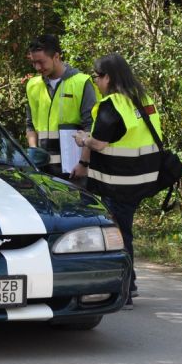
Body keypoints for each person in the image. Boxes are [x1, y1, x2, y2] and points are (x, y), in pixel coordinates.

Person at [73, 53, 163, 309]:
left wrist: (83, 140)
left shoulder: (111, 104)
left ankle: (125, 287)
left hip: (118, 180)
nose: (95, 83)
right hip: (143, 177)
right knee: (125, 231)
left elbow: (100, 142)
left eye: (96, 77)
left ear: (107, 77)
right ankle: (129, 282)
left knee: (120, 235)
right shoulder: (142, 99)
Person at [24, 34, 96, 177]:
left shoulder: (81, 83)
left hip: (74, 170)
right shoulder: (33, 85)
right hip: (42, 170)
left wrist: (83, 164)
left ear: (56, 56)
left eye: (41, 62)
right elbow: (30, 124)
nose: (37, 67)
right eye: (33, 62)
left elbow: (91, 127)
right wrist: (34, 153)